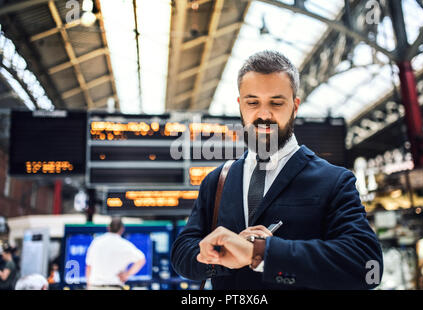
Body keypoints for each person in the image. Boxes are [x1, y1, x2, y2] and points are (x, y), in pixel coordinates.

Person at [171, 50, 384, 290]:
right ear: (240, 105)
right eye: (253, 102)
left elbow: (367, 266)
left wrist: (260, 253)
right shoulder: (218, 180)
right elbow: (182, 255)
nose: (263, 114)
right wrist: (224, 255)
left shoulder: (334, 180)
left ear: (295, 106)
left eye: (276, 102)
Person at [85, 217, 146, 290]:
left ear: (108, 227)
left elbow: (88, 266)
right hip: (114, 286)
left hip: (94, 286)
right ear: (122, 229)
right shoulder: (125, 245)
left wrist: (88, 285)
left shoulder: (96, 242)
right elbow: (141, 259)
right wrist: (127, 274)